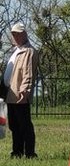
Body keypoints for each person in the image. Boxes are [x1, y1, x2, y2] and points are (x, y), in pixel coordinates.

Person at [3, 23, 39, 158]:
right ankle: (17, 151)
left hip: (20, 93)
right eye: (13, 34)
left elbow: (28, 73)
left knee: (24, 125)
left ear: (24, 34)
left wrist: (25, 90)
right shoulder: (17, 51)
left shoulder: (29, 51)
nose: (15, 36)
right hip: (11, 94)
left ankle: (30, 153)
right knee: (14, 125)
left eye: (18, 33)